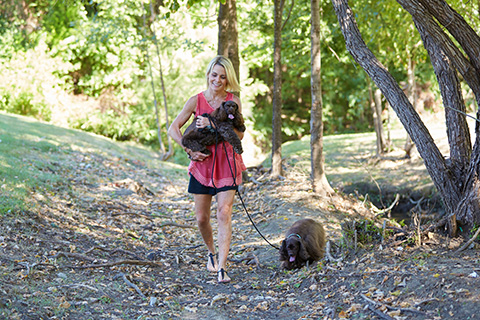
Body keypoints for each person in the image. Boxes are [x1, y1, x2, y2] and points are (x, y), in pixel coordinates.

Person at [168, 55, 246, 283]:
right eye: (214, 75)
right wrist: (189, 149)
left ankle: (222, 267)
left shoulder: (233, 101)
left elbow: (239, 134)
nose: (218, 80)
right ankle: (211, 253)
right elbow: (173, 128)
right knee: (202, 218)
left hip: (227, 163)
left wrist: (213, 124)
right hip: (202, 165)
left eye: (223, 77)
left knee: (224, 212)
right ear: (208, 75)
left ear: (228, 78)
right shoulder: (196, 100)